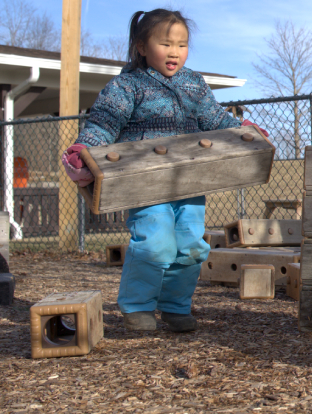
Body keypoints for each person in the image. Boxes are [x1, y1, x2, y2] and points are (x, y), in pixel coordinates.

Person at [61, 9, 262, 332]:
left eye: (182, 45)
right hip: (145, 181)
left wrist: (243, 132)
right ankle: (138, 307)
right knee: (155, 243)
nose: (174, 52)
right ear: (141, 46)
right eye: (165, 43)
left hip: (189, 179)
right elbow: (103, 123)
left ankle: (175, 306)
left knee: (192, 245)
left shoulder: (193, 84)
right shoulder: (127, 86)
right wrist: (83, 151)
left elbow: (214, 119)